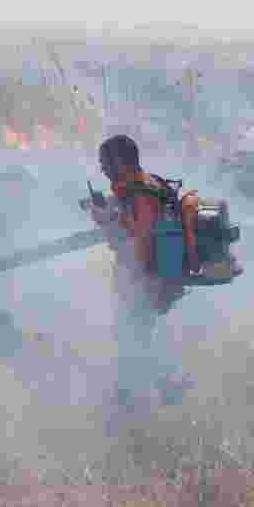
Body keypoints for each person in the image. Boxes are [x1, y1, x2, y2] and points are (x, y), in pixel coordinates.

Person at [88, 135, 197, 432]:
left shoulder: (142, 194)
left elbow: (140, 244)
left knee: (131, 341)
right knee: (135, 340)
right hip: (146, 280)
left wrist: (108, 222)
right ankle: (162, 389)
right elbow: (130, 227)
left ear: (121, 162)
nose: (103, 169)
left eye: (105, 163)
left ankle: (133, 407)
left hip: (145, 280)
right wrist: (108, 213)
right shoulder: (141, 187)